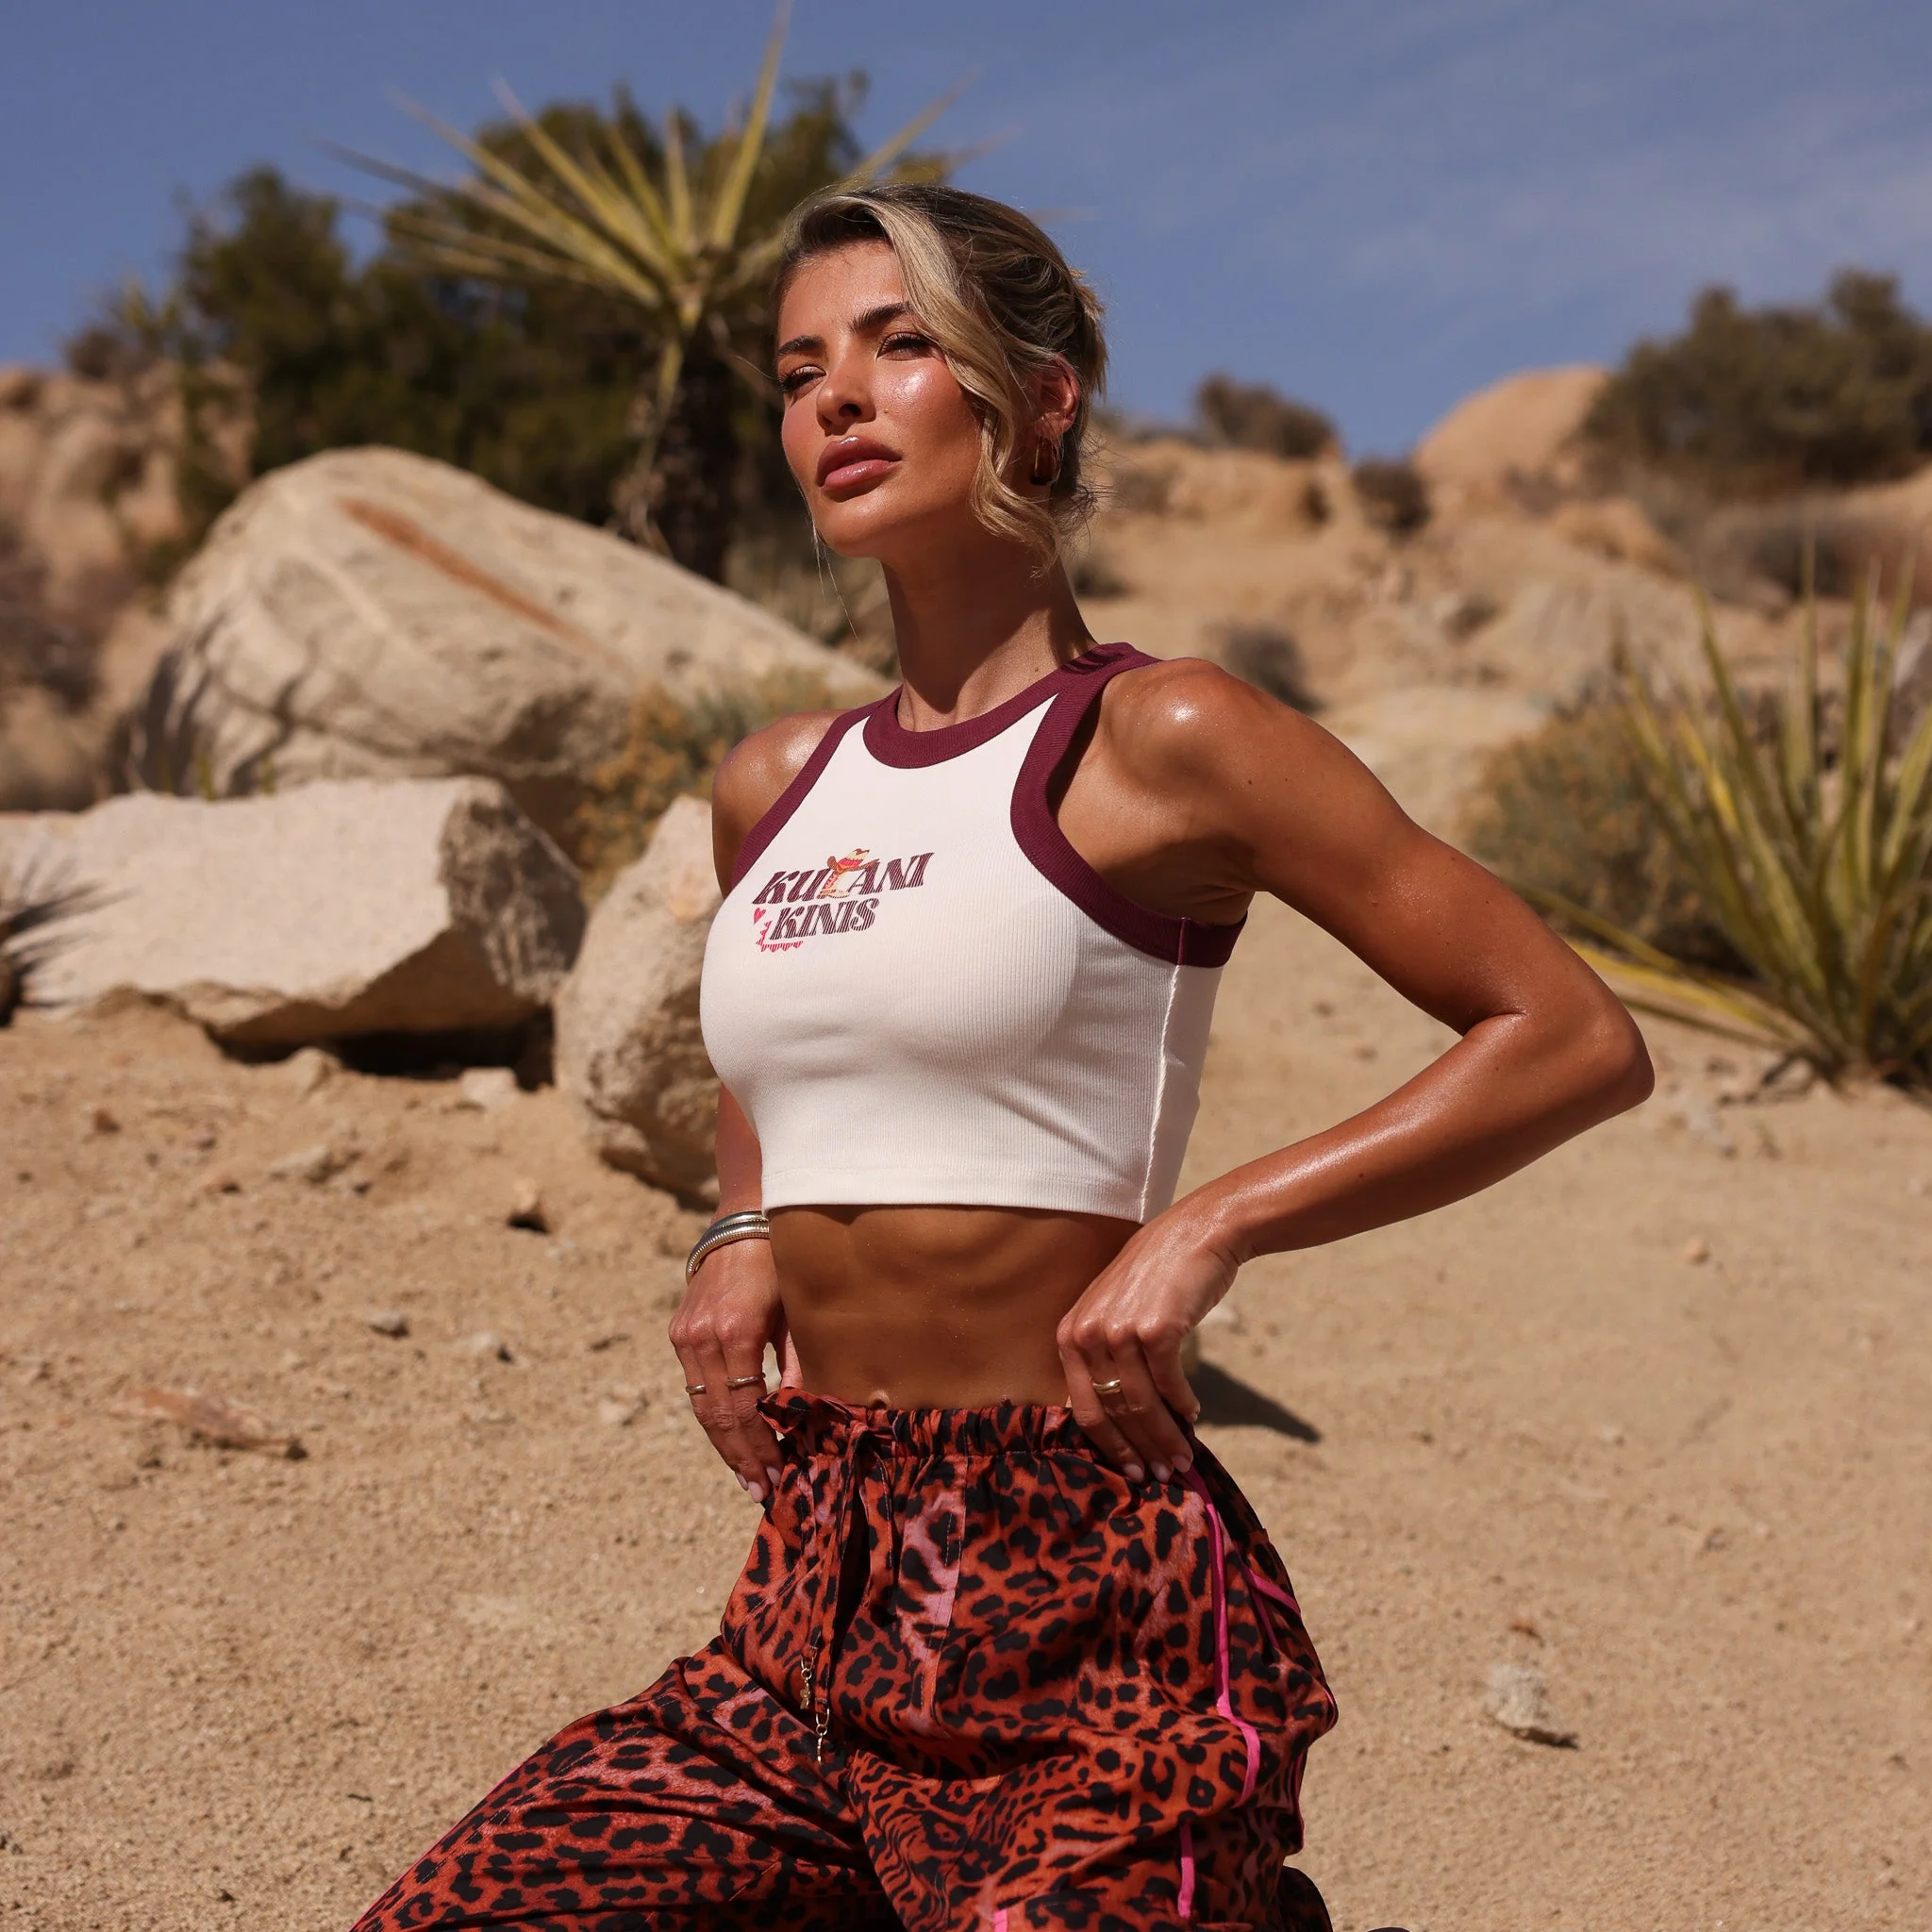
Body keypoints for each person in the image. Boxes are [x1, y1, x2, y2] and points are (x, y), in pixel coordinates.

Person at [352, 183, 1652, 1932]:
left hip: (1093, 1598)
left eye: (900, 344)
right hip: (814, 1605)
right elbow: (786, 1044)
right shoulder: (776, 783)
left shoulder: (1165, 737)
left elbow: (1567, 1035)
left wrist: (1207, 1228)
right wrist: (741, 1223)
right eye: (798, 370)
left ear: (1040, 397)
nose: (835, 395)